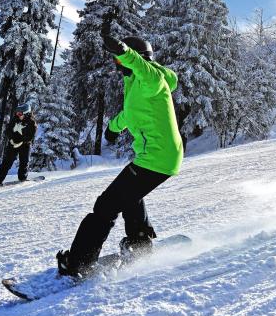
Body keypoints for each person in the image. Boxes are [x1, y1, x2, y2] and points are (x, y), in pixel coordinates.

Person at [55, 32, 184, 278]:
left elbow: (146, 70)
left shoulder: (151, 78)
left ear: (135, 59)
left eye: (120, 62)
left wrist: (123, 51)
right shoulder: (135, 83)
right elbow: (130, 113)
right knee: (129, 196)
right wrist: (113, 128)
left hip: (156, 158)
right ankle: (139, 244)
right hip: (158, 157)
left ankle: (78, 264)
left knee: (106, 205)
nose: (118, 66)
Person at [0, 103, 37, 186]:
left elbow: (30, 136)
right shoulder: (15, 119)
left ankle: (22, 178)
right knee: (7, 162)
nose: (18, 115)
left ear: (26, 113)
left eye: (20, 113)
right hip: (13, 144)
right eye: (17, 113)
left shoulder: (31, 123)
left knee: (24, 162)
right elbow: (8, 130)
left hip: (24, 145)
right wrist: (12, 139)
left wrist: (22, 141)